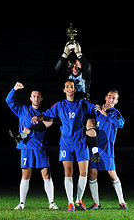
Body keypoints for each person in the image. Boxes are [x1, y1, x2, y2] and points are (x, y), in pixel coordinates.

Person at [24, 79, 100, 212]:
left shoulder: (82, 103)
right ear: (64, 90)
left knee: (84, 173)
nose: (70, 88)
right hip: (66, 144)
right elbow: (46, 114)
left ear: (75, 89)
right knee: (68, 173)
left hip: (81, 142)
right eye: (67, 87)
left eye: (72, 86)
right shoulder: (59, 105)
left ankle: (78, 201)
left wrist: (99, 109)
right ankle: (70, 203)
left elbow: (94, 108)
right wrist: (38, 117)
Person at [6, 82, 59, 210]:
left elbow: (48, 126)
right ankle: (22, 203)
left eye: (38, 96)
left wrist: (31, 132)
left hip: (40, 147)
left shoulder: (45, 114)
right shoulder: (23, 110)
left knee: (46, 174)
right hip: (26, 148)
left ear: (41, 99)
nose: (36, 98)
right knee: (25, 174)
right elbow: (9, 100)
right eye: (33, 96)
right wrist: (14, 89)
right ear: (30, 98)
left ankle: (51, 203)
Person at [88, 89, 128, 210]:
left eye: (114, 98)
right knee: (92, 173)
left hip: (107, 150)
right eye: (109, 96)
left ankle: (122, 203)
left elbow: (120, 124)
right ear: (105, 97)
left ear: (116, 101)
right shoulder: (96, 110)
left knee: (112, 174)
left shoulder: (115, 113)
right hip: (95, 148)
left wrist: (105, 114)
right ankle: (96, 204)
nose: (111, 99)